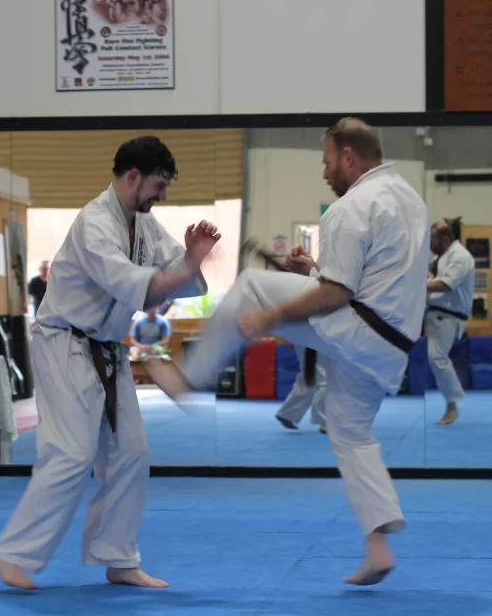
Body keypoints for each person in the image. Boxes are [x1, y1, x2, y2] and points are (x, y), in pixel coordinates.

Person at [147, 118, 429, 586]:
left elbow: (335, 296)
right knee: (350, 432)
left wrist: (270, 318)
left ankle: (187, 378)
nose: (324, 172)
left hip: (357, 329)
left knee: (254, 288)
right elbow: (375, 278)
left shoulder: (352, 205)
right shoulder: (411, 201)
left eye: (325, 160)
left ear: (348, 157)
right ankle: (377, 545)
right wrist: (316, 270)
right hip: (391, 347)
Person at [0, 136, 221, 590]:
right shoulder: (95, 223)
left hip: (108, 350)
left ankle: (117, 558)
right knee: (71, 453)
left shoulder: (144, 223)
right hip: (66, 346)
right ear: (132, 176)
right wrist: (188, 263)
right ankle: (11, 552)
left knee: (131, 454)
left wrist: (191, 262)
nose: (163, 195)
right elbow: (147, 288)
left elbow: (180, 277)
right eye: (158, 185)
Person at [425, 221, 475, 426]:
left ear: (445, 239)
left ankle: (452, 405)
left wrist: (415, 284)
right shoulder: (440, 257)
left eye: (432, 239)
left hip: (448, 315)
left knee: (437, 357)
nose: (429, 243)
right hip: (431, 310)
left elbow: (445, 284)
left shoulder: (461, 257)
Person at [275, 248, 328, 433]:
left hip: (304, 318)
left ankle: (288, 413)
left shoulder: (339, 246)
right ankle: (326, 420)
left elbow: (320, 273)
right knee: (325, 371)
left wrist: (310, 263)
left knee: (310, 372)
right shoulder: (342, 244)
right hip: (311, 318)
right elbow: (324, 279)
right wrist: (309, 264)